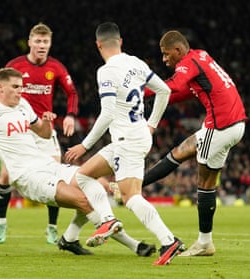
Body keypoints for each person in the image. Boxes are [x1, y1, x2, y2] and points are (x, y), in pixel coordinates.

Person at [0, 67, 123, 253]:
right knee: (81, 199)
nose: (20, 91)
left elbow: (43, 134)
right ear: (0, 87)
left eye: (21, 87)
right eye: (15, 87)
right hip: (25, 175)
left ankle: (101, 229)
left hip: (45, 163)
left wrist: (46, 121)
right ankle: (110, 229)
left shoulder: (24, 105)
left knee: (89, 180)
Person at [65, 22, 182, 265]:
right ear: (121, 41)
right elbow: (164, 91)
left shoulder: (105, 71)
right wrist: (152, 123)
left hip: (127, 140)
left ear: (98, 44)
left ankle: (168, 241)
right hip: (134, 135)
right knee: (83, 175)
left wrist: (84, 145)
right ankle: (108, 219)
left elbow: (107, 113)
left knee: (131, 198)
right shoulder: (136, 62)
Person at [141, 30, 247, 256]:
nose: (164, 59)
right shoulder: (201, 56)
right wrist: (148, 96)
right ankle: (136, 184)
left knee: (204, 180)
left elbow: (175, 85)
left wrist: (141, 90)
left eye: (166, 54)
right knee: (181, 152)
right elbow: (182, 93)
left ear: (178, 50)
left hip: (220, 125)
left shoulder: (188, 62)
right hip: (232, 124)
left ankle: (204, 242)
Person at [0, 23, 79, 245]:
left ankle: (51, 227)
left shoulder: (56, 67)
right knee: (5, 176)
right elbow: (2, 93)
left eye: (46, 42)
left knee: (54, 177)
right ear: (30, 42)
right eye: (38, 41)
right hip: (19, 128)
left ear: (50, 44)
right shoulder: (15, 66)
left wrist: (70, 115)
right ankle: (1, 222)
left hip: (43, 128)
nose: (42, 45)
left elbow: (71, 92)